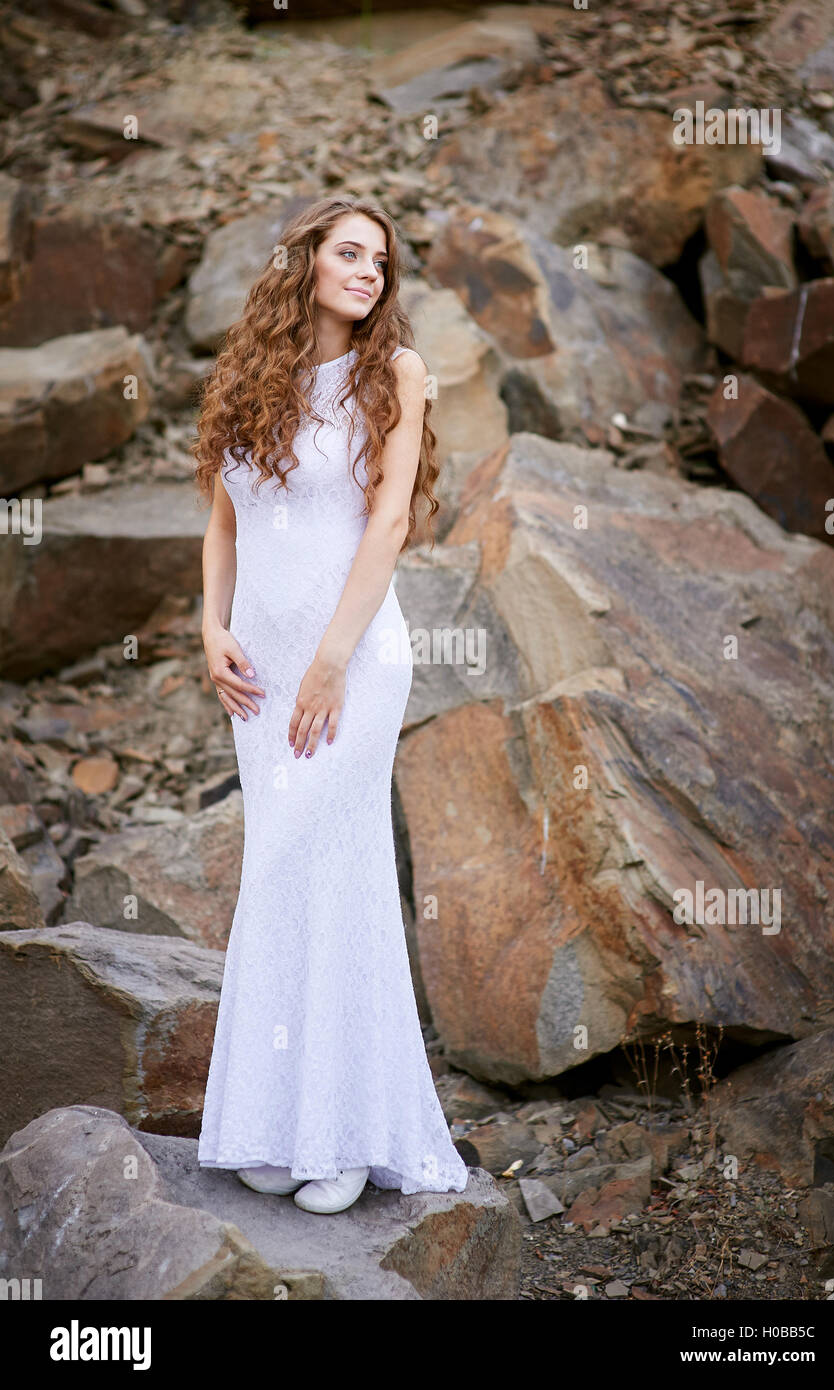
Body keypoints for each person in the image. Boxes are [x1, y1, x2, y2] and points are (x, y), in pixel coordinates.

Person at [191, 196, 469, 1214]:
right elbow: (223, 522)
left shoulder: (390, 373)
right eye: (349, 253)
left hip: (350, 662)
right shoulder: (248, 379)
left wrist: (330, 660)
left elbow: (390, 521)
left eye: (381, 263)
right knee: (284, 880)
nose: (368, 273)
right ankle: (274, 1122)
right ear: (304, 261)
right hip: (258, 675)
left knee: (325, 873)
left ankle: (350, 1134)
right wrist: (209, 626)